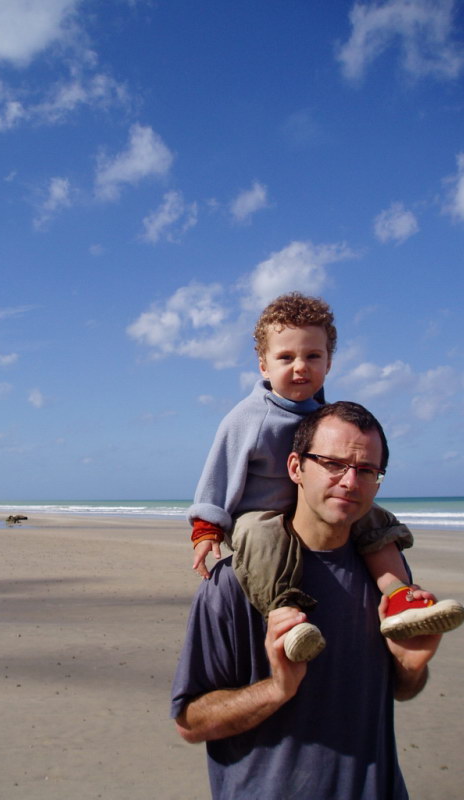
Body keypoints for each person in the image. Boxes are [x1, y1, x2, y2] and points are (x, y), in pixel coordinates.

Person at [172, 402, 445, 800]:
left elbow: (402, 691)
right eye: (333, 464)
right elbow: (190, 722)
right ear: (295, 467)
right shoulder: (231, 584)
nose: (350, 481)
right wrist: (277, 689)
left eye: (366, 470)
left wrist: (410, 667)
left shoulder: (387, 577)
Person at [188, 293, 462, 660]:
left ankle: (398, 595)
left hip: (315, 512)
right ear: (264, 366)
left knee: (376, 521)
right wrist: (206, 528)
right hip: (262, 515)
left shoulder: (325, 416)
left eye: (313, 356)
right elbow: (218, 472)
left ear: (329, 363)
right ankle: (285, 616)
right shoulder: (248, 417)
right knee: (260, 536)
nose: (300, 367)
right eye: (286, 357)